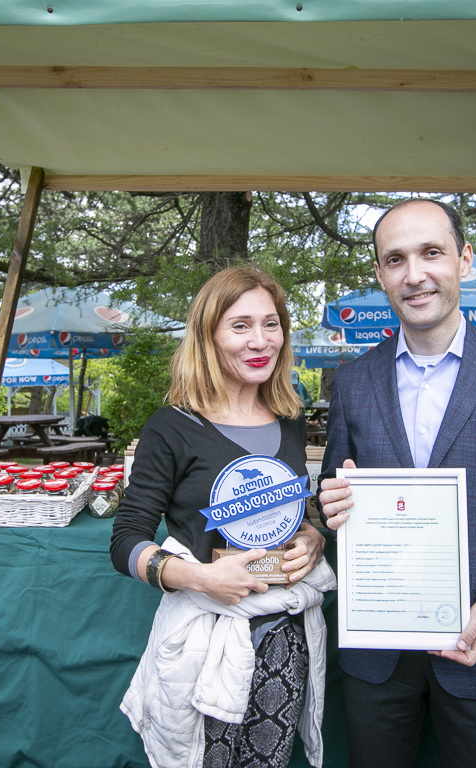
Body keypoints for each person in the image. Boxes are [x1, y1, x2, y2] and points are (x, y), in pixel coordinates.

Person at [318, 199, 476, 768]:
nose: (414, 274)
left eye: (431, 253)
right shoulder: (353, 381)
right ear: (380, 274)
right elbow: (330, 498)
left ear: (463, 260)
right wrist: (331, 506)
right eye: (395, 259)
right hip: (375, 651)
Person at [111, 267, 334, 768]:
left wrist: (313, 536)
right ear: (208, 335)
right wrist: (201, 578)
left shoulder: (291, 419)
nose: (260, 340)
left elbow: (289, 513)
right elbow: (125, 541)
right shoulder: (172, 427)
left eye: (271, 324)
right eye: (240, 326)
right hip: (208, 639)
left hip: (285, 638)